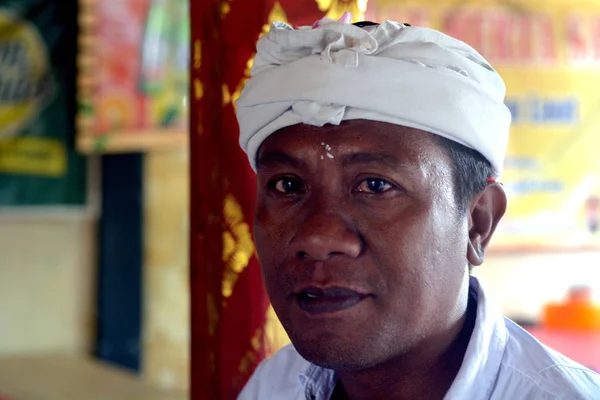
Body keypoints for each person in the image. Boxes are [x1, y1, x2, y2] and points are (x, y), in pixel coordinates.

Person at [234, 15, 600, 400]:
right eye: (287, 185)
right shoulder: (276, 385)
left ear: (477, 223)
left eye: (375, 186)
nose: (318, 237)